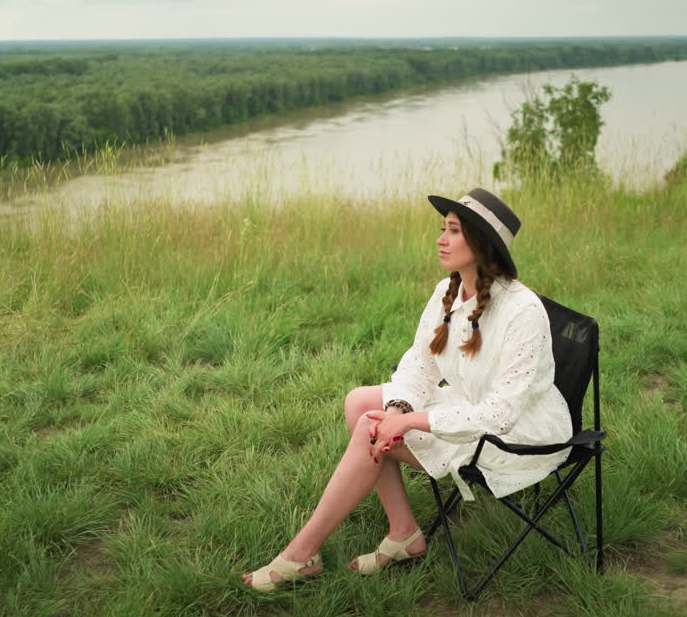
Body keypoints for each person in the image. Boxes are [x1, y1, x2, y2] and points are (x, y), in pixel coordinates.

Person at [242, 188, 572, 591]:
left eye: (453, 231)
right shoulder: (447, 293)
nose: (440, 238)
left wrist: (411, 420)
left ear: (482, 244)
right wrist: (399, 408)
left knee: (369, 424)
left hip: (517, 435)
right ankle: (404, 532)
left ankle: (302, 554)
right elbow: (420, 363)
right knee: (361, 403)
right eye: (442, 228)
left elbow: (500, 413)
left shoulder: (522, 310)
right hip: (474, 407)